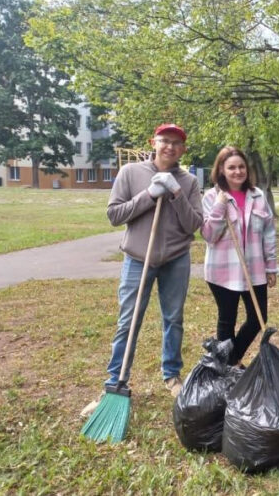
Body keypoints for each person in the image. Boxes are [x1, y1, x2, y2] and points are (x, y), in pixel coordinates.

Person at [81, 123, 202, 417]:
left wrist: (175, 193)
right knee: (128, 321)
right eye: (164, 141)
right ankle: (115, 381)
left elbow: (194, 224)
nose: (169, 147)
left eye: (176, 143)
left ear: (183, 149)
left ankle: (171, 375)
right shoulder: (130, 173)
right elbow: (114, 215)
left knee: (173, 319)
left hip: (175, 259)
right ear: (153, 142)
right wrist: (149, 194)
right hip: (138, 258)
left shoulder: (189, 182)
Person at [200, 146, 277, 367]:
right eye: (231, 167)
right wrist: (218, 207)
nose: (237, 171)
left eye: (241, 166)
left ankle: (231, 360)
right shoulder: (212, 197)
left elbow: (269, 233)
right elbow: (209, 236)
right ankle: (227, 367)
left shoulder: (258, 196)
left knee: (257, 318)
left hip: (254, 268)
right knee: (227, 320)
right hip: (222, 270)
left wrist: (271, 267)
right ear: (222, 170)